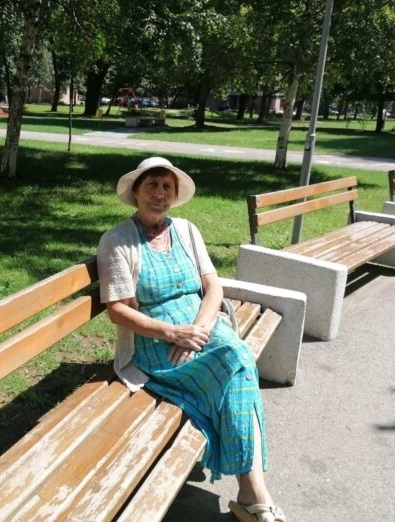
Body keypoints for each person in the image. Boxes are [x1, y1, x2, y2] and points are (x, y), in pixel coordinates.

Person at [97, 157, 286, 522]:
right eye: (152, 185)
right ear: (136, 192)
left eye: (167, 186)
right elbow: (117, 310)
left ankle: (253, 495)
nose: (160, 193)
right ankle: (254, 498)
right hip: (156, 345)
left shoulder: (185, 230)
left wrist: (198, 329)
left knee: (238, 360)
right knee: (238, 361)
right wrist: (173, 333)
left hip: (201, 330)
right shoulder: (117, 240)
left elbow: (213, 286)